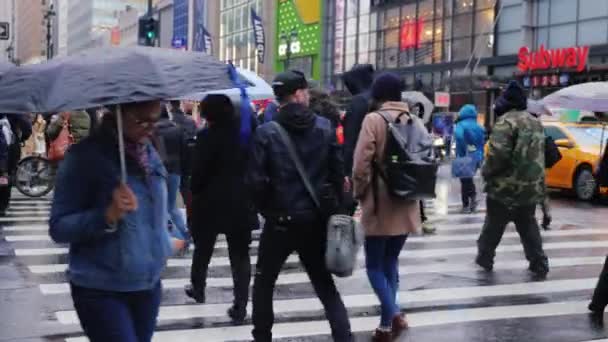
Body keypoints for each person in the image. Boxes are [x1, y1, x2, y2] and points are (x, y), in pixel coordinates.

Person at [49, 101, 173, 342]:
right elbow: (59, 227)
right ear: (118, 113)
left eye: (155, 119)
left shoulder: (149, 152)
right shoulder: (85, 157)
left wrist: (169, 236)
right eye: (141, 120)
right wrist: (106, 216)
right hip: (101, 288)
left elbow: (159, 209)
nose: (150, 128)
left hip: (148, 285)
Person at [248, 70, 352, 342]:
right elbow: (337, 175)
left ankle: (262, 337)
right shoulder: (324, 128)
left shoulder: (266, 132)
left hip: (280, 222)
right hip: (315, 221)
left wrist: (269, 211)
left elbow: (256, 182)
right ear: (298, 94)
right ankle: (344, 337)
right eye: (305, 91)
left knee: (263, 284)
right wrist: (334, 208)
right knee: (325, 288)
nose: (307, 95)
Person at [352, 73, 420, 342]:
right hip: (407, 201)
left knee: (373, 266)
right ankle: (385, 325)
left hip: (380, 202)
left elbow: (361, 164)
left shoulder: (374, 120)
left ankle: (393, 314)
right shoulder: (414, 120)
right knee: (390, 262)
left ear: (379, 95)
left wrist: (359, 193)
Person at [185, 94, 256, 324]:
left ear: (207, 114)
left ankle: (198, 287)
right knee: (240, 255)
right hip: (241, 201)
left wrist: (193, 190)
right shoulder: (245, 136)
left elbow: (198, 174)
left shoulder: (206, 137)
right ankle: (241, 304)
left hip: (209, 203)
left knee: (203, 248)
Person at [476, 81, 549, 277]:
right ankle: (539, 262)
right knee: (528, 226)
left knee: (493, 226)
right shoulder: (536, 123)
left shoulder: (505, 122)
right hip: (530, 187)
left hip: (504, 188)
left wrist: (486, 172)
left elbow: (498, 155)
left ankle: (485, 258)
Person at [154, 106, 190, 245]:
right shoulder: (177, 129)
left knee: (162, 207)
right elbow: (184, 151)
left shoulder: (153, 132)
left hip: (159, 172)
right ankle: (183, 234)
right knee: (171, 206)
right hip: (176, 170)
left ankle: (177, 236)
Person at [342, 64, 375, 214]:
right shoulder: (380, 98)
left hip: (362, 163)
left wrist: (346, 171)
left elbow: (351, 139)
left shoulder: (358, 102)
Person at [454, 104, 485, 213]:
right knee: (468, 178)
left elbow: (459, 136)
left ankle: (467, 204)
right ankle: (472, 199)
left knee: (464, 179)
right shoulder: (479, 127)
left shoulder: (460, 125)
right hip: (476, 156)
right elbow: (482, 143)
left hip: (464, 155)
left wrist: (464, 149)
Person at [0, 114, 32, 216]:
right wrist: (22, 138)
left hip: (8, 148)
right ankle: (2, 205)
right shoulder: (13, 107)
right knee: (5, 175)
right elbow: (26, 127)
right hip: (10, 149)